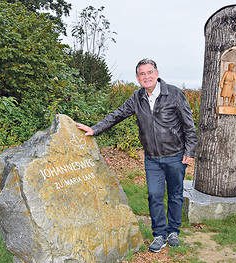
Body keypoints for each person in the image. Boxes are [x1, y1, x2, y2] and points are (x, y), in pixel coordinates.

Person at [76, 58, 197, 252]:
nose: (146, 77)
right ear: (137, 77)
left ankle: (173, 231)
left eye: (149, 72)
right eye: (142, 74)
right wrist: (95, 129)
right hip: (152, 158)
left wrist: (190, 151)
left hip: (175, 155)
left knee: (175, 194)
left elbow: (188, 125)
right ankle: (159, 235)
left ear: (157, 73)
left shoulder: (174, 94)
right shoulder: (137, 97)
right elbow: (117, 114)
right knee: (154, 195)